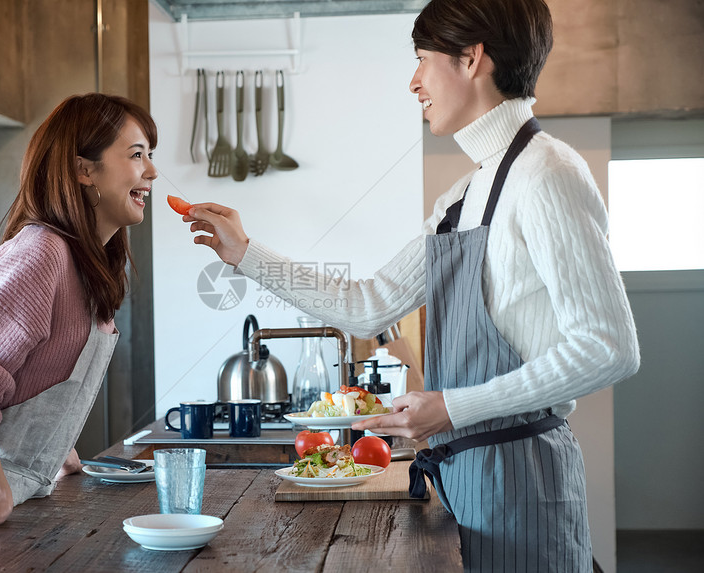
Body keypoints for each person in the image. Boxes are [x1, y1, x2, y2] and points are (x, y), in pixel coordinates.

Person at [183, 0, 639, 570]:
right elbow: (368, 305)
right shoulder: (464, 198)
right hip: (462, 479)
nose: (414, 81)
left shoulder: (549, 173)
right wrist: (247, 254)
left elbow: (609, 348)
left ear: (472, 59)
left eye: (423, 60)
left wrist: (452, 407)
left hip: (521, 481)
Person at [0, 93, 158, 570]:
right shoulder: (41, 251)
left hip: (19, 498)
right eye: (137, 154)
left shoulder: (87, 264)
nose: (152, 172)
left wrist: (57, 448)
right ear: (84, 170)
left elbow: (36, 376)